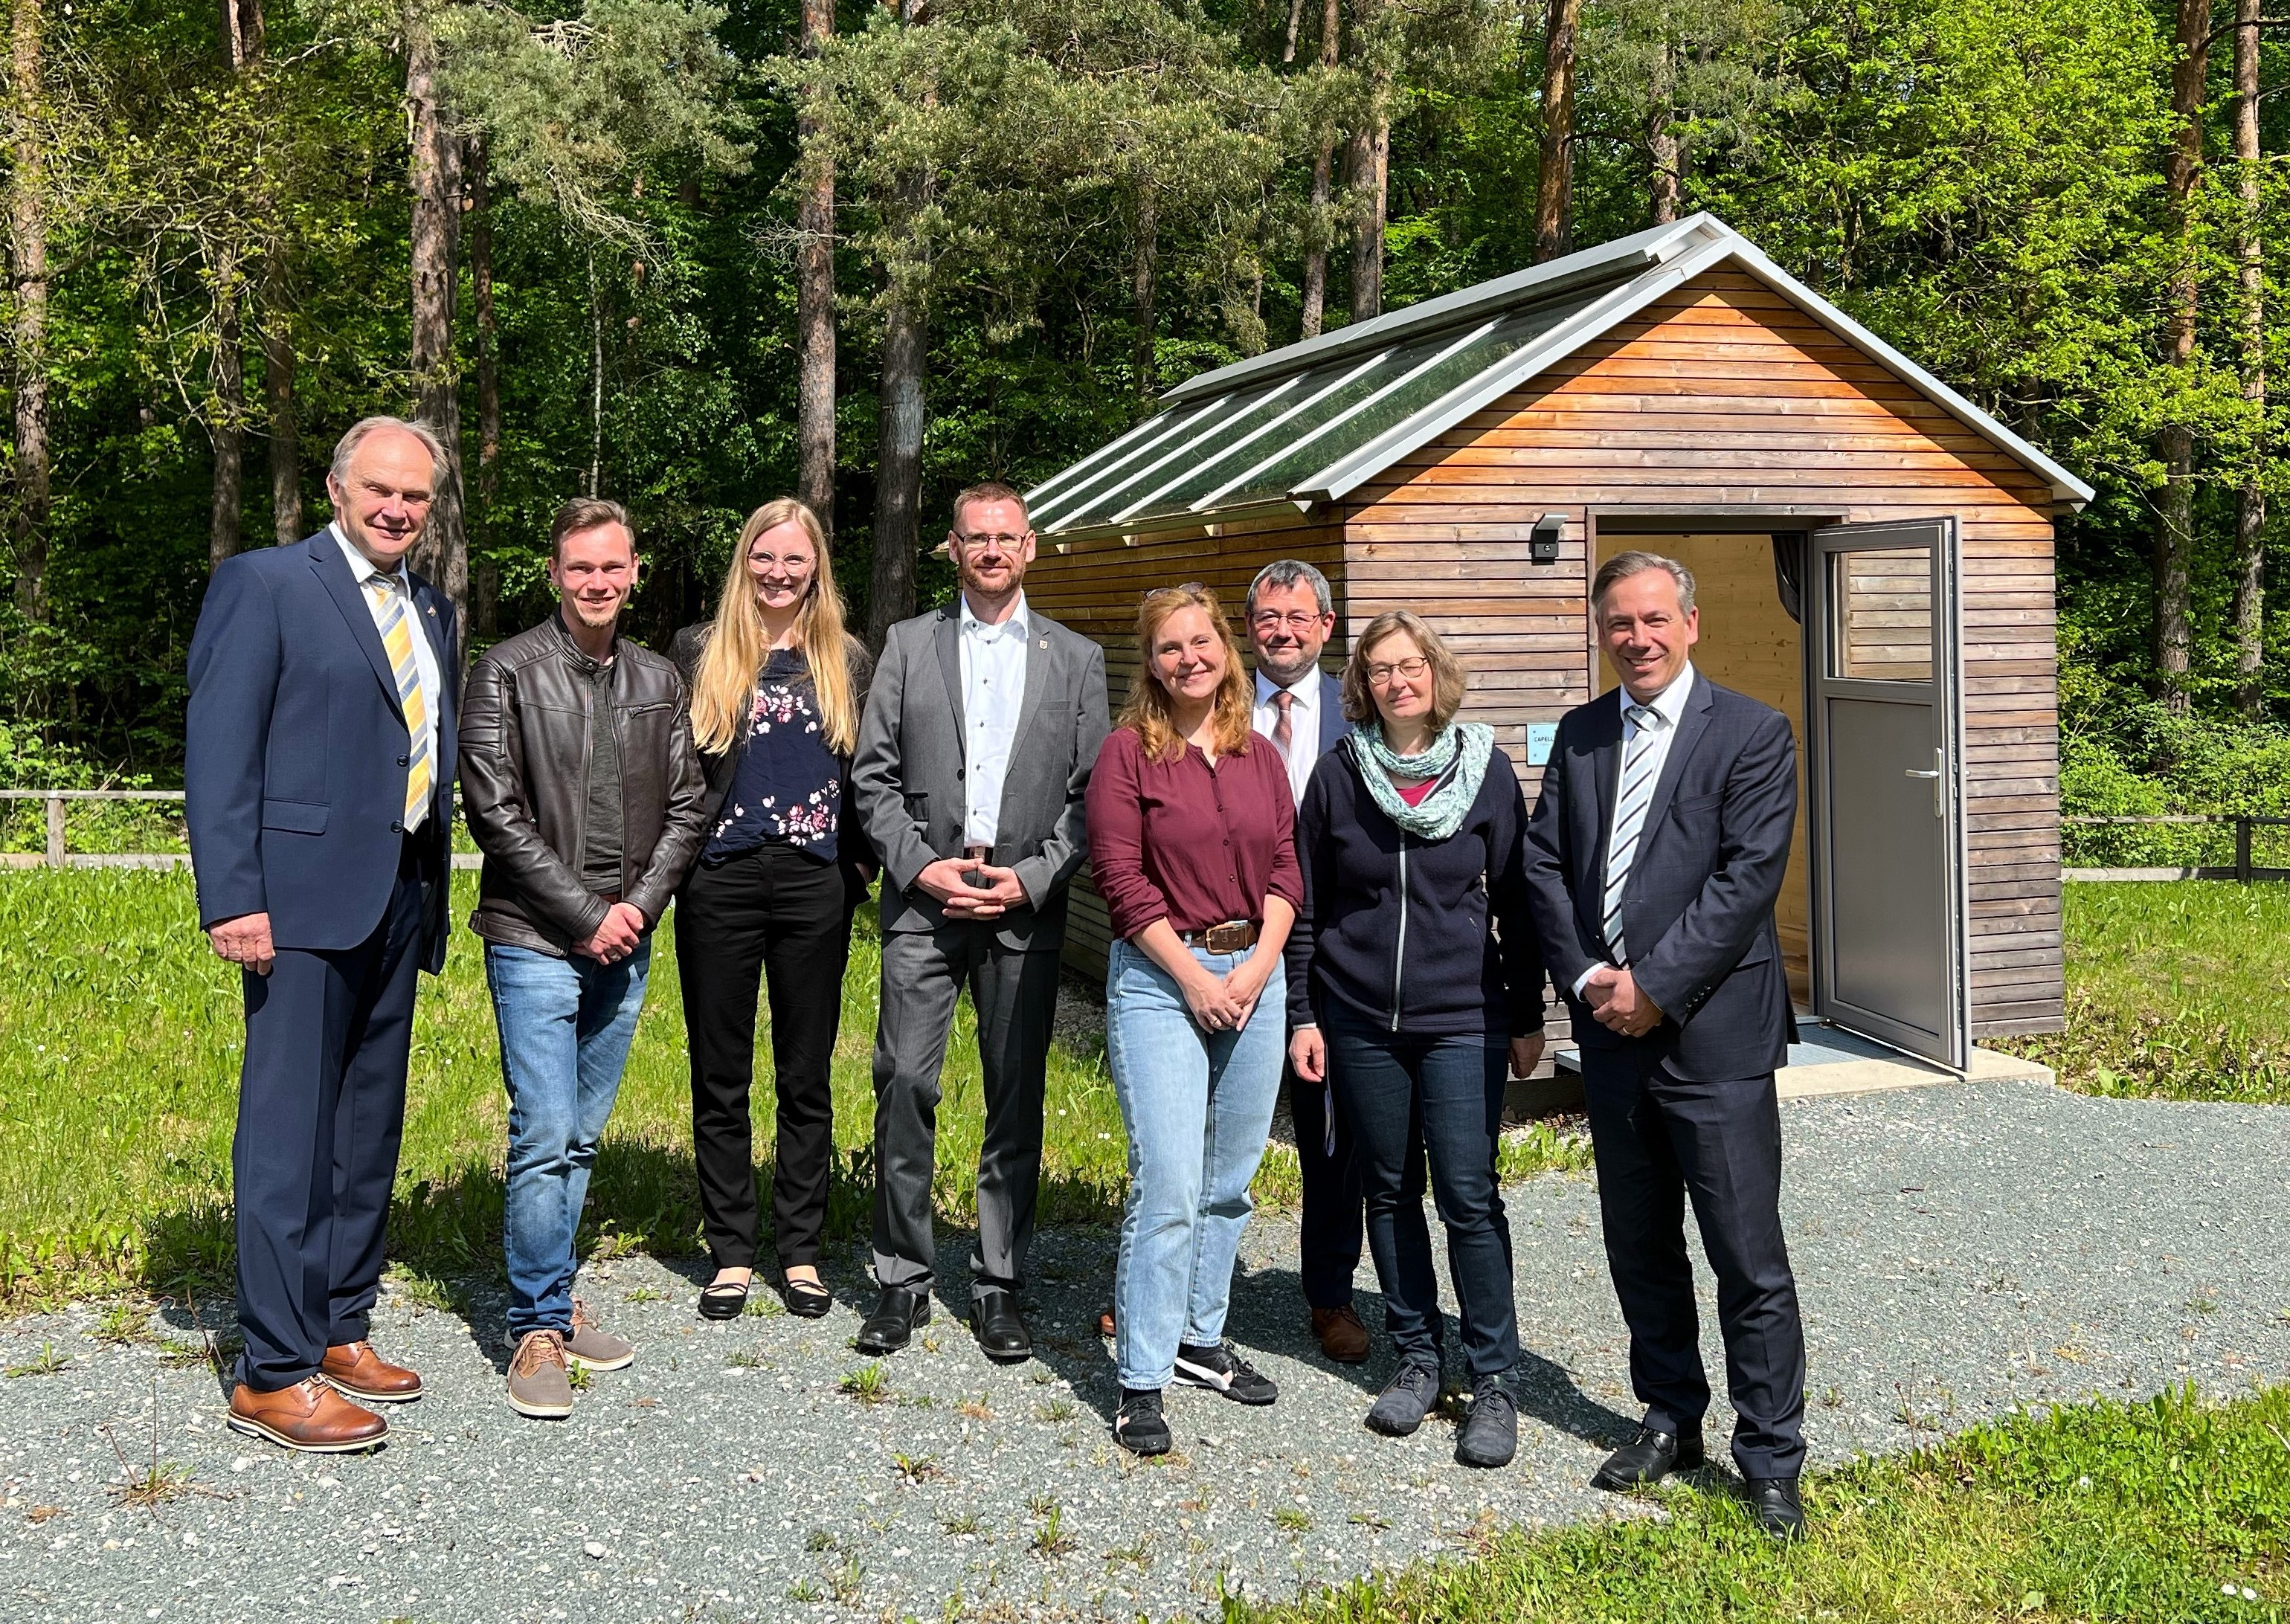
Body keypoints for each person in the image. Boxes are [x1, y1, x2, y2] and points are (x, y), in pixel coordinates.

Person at [1522, 550, 1807, 1538]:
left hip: (1712, 1037)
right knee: (1637, 1242)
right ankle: (1670, 1420)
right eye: (1617, 624)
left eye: (1652, 620)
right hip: (1610, 1035)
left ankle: (1768, 1455)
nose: (1635, 638)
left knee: (1743, 1254)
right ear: (1600, 632)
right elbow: (1543, 864)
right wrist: (1588, 980)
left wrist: (1654, 985)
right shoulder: (1581, 733)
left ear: (1689, 625)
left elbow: (1744, 879)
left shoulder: (1752, 733)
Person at [187, 416, 458, 1452]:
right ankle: (271, 1368)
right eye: (380, 489)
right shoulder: (265, 584)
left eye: (416, 497)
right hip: (295, 905)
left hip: (397, 894)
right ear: (340, 489)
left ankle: (339, 1323)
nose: (397, 508)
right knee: (290, 1135)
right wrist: (232, 897)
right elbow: (219, 748)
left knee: (363, 1131)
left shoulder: (427, 605)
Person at [460, 497, 709, 1419]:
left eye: (613, 568)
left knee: (580, 1135)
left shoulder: (658, 678)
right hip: (533, 939)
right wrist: (582, 914)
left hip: (626, 939)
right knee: (541, 1130)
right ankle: (533, 1326)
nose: (597, 583)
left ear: (634, 571)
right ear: (555, 575)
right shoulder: (507, 672)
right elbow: (493, 808)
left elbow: (688, 806)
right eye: (580, 569)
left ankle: (556, 1303)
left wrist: (635, 910)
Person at [850, 482, 1109, 1363]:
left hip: (1020, 910)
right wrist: (922, 866)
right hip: (924, 903)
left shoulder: (1075, 659)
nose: (991, 551)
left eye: (1005, 537)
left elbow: (1088, 799)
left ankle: (1000, 1282)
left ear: (1029, 548)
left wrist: (1029, 881)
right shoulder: (909, 644)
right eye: (975, 539)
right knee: (904, 1086)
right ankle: (900, 1280)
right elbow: (871, 777)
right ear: (951, 550)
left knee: (1014, 1098)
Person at [1286, 610, 1545, 1469]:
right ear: (1362, 684)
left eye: (1411, 666)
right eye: (1380, 670)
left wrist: (1524, 1011)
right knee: (1389, 1192)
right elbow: (1307, 908)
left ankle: (1494, 1377)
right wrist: (1305, 1014)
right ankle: (1417, 1358)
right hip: (1359, 1018)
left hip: (1461, 1020)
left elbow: (1517, 896)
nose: (1398, 682)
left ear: (1436, 673)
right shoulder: (1337, 774)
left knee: (1468, 1197)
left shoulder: (1486, 772)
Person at [1087, 584, 1300, 1457]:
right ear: (1152, 662)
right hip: (1159, 978)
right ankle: (1141, 1378)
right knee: (1169, 1182)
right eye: (1170, 647)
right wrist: (1194, 976)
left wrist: (1252, 971)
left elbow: (1288, 867)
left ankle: (1197, 1341)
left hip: (1257, 971)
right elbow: (1119, 879)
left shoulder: (1261, 754)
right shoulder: (1127, 754)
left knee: (1228, 1178)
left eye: (1201, 641)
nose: (1189, 658)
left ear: (1226, 648)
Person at [669, 498, 875, 1322]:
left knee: (805, 1075)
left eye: (795, 560)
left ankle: (799, 1250)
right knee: (720, 1073)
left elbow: (870, 772)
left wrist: (858, 864)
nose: (779, 574)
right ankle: (729, 1250)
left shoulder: (848, 658)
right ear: (743, 562)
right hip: (718, 879)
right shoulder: (697, 649)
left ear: (817, 567)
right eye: (764, 558)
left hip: (813, 884)